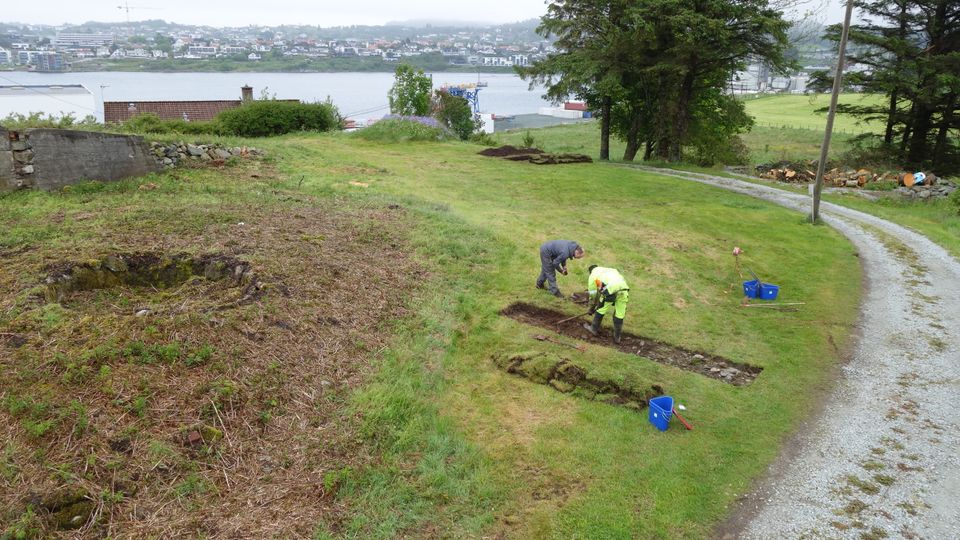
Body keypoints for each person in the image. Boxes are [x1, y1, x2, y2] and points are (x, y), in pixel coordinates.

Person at [583, 265, 629, 344]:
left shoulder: (593, 275)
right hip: (624, 290)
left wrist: (592, 307)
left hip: (610, 290)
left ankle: (593, 329)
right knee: (620, 314)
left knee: (601, 309)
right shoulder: (611, 270)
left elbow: (593, 293)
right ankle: (617, 337)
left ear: (590, 271)